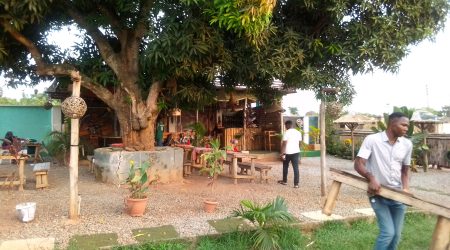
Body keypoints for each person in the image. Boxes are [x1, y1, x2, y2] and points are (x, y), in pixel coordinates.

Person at [354, 112, 412, 250]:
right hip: (378, 194)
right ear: (392, 124)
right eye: (403, 125)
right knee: (388, 233)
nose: (406, 128)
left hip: (397, 195)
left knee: (396, 235)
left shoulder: (407, 144)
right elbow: (358, 164)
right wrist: (371, 177)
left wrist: (406, 189)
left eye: (407, 126)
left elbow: (405, 170)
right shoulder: (372, 140)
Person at [278, 120, 302, 188]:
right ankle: (296, 184)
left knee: (285, 166)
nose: (285, 127)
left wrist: (282, 153)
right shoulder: (298, 132)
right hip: (296, 152)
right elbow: (300, 143)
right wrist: (298, 150)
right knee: (296, 168)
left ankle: (284, 181)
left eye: (285, 126)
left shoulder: (286, 133)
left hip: (287, 152)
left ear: (287, 125)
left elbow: (284, 144)